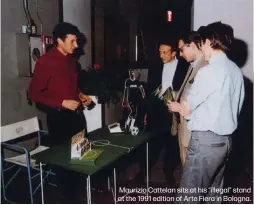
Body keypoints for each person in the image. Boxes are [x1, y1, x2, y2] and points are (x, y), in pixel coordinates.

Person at [168, 22, 244, 203]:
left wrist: (185, 111)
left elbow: (187, 107)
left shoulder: (209, 71)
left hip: (205, 143)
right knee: (213, 195)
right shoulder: (235, 71)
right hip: (225, 142)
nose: (200, 46)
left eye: (201, 42)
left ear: (209, 41)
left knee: (188, 197)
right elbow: (237, 108)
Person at [28, 22, 89, 203]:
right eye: (72, 41)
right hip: (59, 119)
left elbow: (71, 87)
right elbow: (33, 94)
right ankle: (67, 198)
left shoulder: (71, 61)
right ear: (59, 41)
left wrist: (80, 95)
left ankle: (77, 194)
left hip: (77, 117)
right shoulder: (45, 62)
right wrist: (62, 102)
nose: (76, 46)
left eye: (77, 41)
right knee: (64, 164)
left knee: (79, 157)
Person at [135, 37, 188, 186]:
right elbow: (151, 90)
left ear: (174, 53)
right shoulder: (156, 67)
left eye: (165, 52)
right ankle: (143, 169)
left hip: (173, 111)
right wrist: (146, 112)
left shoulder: (183, 67)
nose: (161, 55)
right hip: (157, 111)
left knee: (172, 145)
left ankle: (168, 170)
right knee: (152, 143)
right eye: (160, 52)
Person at [168, 30, 207, 166]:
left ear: (192, 45)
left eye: (181, 49)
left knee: (194, 178)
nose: (180, 54)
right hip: (184, 130)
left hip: (193, 134)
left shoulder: (204, 67)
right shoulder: (193, 66)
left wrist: (179, 107)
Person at [122, 69, 146, 134]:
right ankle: (129, 125)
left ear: (134, 73)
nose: (132, 74)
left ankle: (128, 126)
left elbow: (141, 88)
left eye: (133, 72)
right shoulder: (128, 81)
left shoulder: (137, 81)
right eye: (130, 73)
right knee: (134, 111)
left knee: (134, 113)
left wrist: (143, 96)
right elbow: (126, 91)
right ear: (129, 74)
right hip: (130, 99)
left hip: (137, 99)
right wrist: (124, 100)